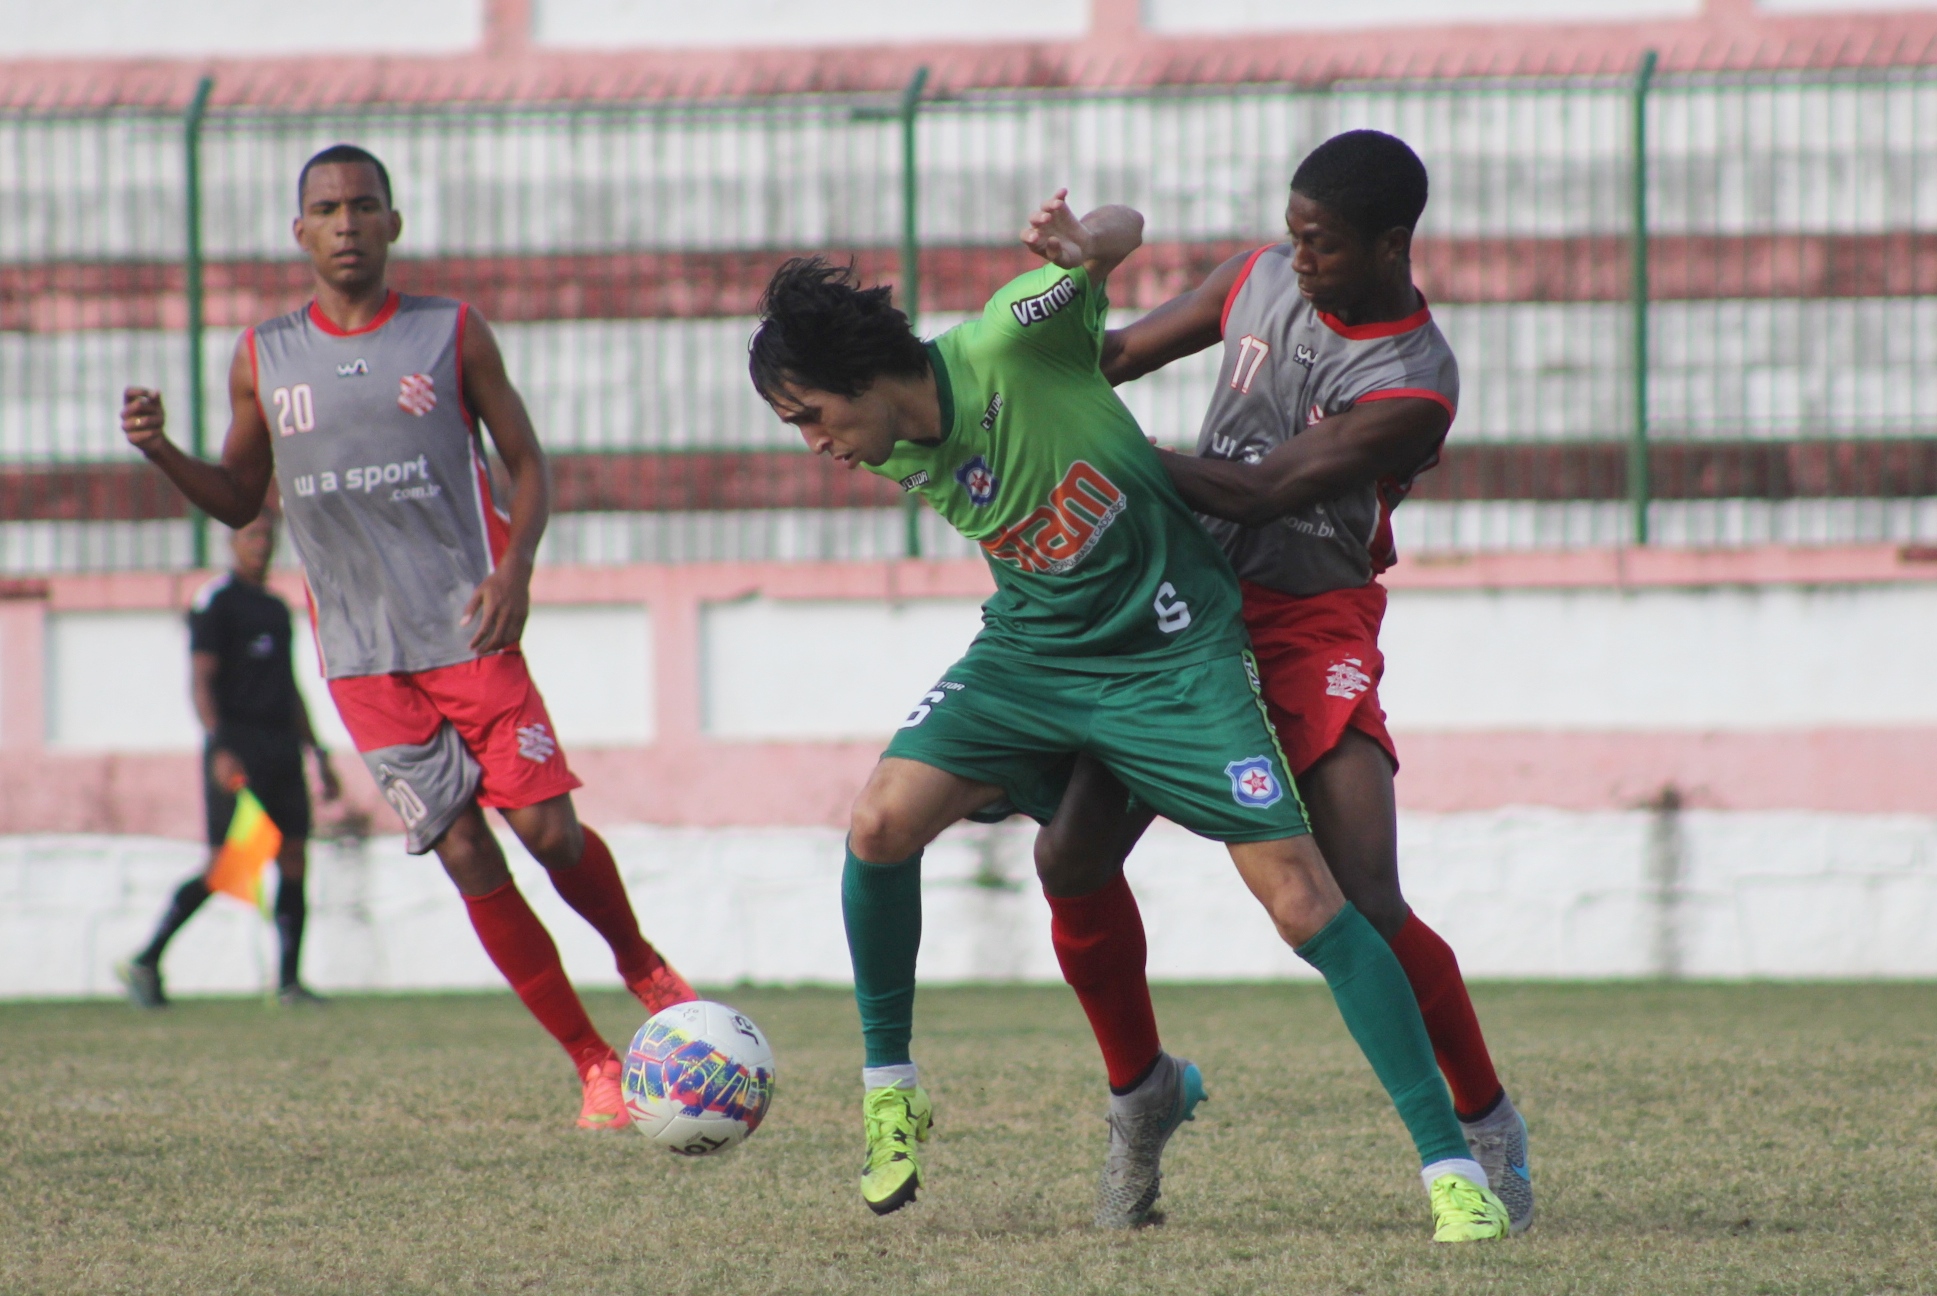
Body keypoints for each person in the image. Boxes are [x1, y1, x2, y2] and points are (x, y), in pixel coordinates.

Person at [747, 190, 1508, 1241]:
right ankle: (893, 1091)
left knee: (1307, 898)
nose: (814, 445)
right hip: (1035, 651)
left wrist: (1082, 247)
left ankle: (1451, 1166)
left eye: (811, 417)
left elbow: (1116, 237)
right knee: (880, 823)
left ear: (857, 377)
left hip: (1175, 653)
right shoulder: (890, 442)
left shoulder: (1010, 341)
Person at [120, 143, 694, 1131]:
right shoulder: (263, 358)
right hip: (362, 662)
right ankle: (592, 1064)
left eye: (363, 206)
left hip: (469, 632)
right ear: (299, 232)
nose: (346, 224)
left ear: (393, 224)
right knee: (468, 851)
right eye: (327, 209)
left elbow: (527, 461)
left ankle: (643, 968)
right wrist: (159, 447)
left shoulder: (452, 334)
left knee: (548, 832)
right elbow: (236, 499)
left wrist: (515, 572)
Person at [1031, 130, 1534, 1233]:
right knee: (1067, 851)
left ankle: (1487, 1122)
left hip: (1311, 620)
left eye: (1322, 243)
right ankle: (1141, 1093)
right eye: (1295, 232)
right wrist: (1070, 283)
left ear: (1390, 244)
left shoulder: (1413, 381)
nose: (1297, 258)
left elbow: (1261, 492)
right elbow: (1107, 358)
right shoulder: (1257, 275)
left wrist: (1105, 455)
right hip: (1189, 605)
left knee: (1364, 896)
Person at [117, 511, 341, 1009]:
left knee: (294, 855)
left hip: (282, 747)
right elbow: (201, 681)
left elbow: (290, 687)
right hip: (239, 747)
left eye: (268, 536)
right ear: (232, 543)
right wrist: (219, 746)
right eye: (252, 536)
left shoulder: (278, 610)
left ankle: (289, 982)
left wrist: (318, 752)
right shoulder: (217, 606)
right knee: (229, 863)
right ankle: (147, 959)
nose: (261, 545)